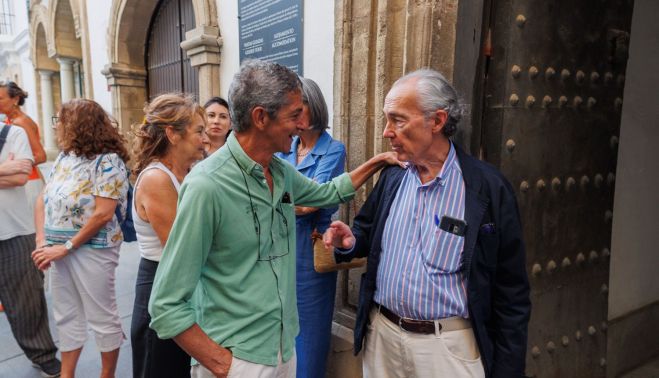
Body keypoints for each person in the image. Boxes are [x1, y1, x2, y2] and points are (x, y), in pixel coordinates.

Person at [148, 60, 401, 378]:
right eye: (294, 115)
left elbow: (327, 193)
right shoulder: (206, 185)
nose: (301, 124)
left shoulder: (281, 172)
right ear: (260, 118)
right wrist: (225, 367)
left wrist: (377, 162)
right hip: (237, 357)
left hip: (283, 350)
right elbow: (165, 305)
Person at [323, 69, 531, 378]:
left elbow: (511, 292)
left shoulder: (487, 189)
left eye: (398, 120)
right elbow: (366, 230)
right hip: (382, 340)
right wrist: (351, 241)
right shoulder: (393, 176)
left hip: (446, 351)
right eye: (386, 119)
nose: (386, 132)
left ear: (437, 121)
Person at [32, 99, 130, 378]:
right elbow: (44, 197)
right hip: (57, 249)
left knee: (102, 315)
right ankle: (67, 374)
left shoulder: (108, 161)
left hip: (93, 249)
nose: (56, 125)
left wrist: (65, 247)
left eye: (60, 119)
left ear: (78, 124)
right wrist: (42, 241)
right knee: (66, 314)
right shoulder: (65, 156)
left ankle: (106, 375)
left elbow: (102, 214)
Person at [130, 93, 206, 378]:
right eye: (198, 131)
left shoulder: (187, 172)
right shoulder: (156, 179)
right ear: (173, 134)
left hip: (179, 283)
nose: (204, 137)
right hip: (161, 283)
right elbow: (182, 247)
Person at [275, 77, 345, 378]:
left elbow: (310, 203)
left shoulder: (333, 149)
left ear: (315, 109)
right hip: (280, 245)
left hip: (311, 247)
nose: (295, 119)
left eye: (299, 110)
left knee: (311, 332)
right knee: (283, 327)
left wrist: (281, 198)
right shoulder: (287, 147)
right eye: (291, 112)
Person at [0, 123, 60, 377]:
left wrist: (11, 173)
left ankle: (42, 355)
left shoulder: (12, 133)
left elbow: (21, 176)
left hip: (14, 229)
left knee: (27, 301)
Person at [0, 81, 47, 214]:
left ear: (15, 99)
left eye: (0, 98)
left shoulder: (21, 122)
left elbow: (41, 155)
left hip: (28, 182)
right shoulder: (9, 121)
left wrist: (12, 166)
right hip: (18, 180)